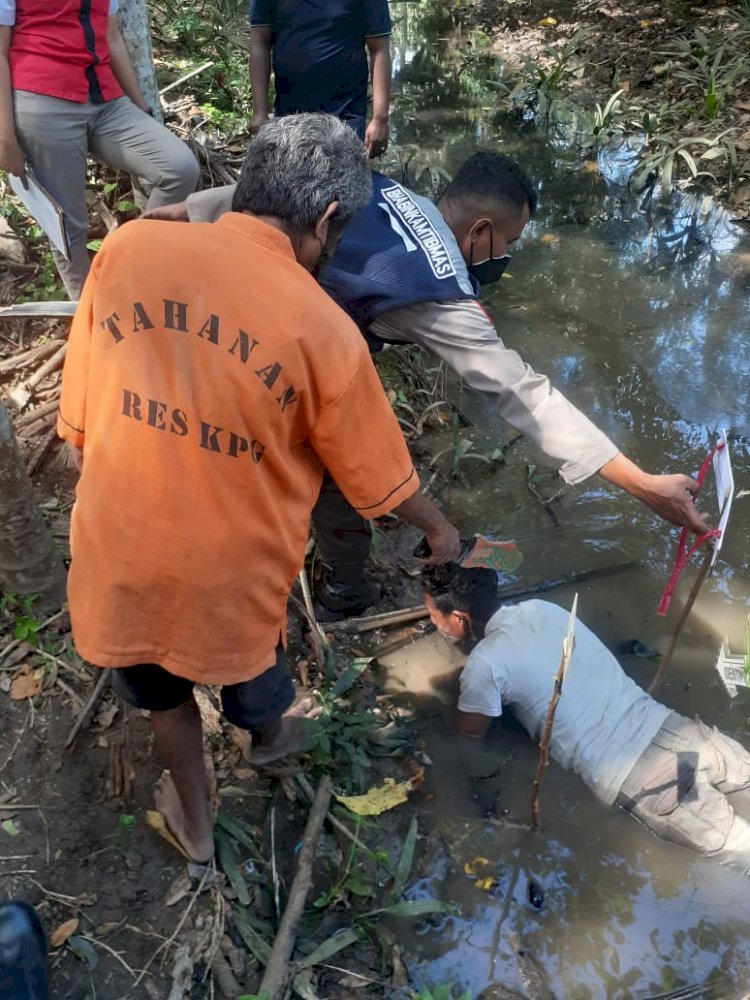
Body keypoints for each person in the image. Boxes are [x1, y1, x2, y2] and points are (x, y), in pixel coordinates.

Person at [56, 114, 459, 866]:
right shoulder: (325, 329)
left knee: (160, 690)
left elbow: (77, 426)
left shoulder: (128, 247)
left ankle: (197, 821)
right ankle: (272, 739)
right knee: (247, 657)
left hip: (119, 550)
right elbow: (379, 479)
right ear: (329, 218)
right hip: (230, 577)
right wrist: (440, 532)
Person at [142, 151, 709, 620]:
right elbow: (524, 394)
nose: (504, 258)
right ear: (481, 230)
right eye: (507, 243)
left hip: (204, 331)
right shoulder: (442, 294)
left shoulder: (380, 189)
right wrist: (640, 482)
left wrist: (149, 235)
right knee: (333, 472)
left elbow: (234, 204)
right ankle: (342, 594)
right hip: (266, 377)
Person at [422, 562, 750, 872]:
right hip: (681, 732)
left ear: (460, 618)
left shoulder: (485, 663)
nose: (433, 624)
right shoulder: (542, 608)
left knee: (742, 851)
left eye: (433, 615)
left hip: (648, 778)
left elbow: (468, 735)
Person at [0, 0, 200, 299]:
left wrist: (140, 106)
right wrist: (6, 138)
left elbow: (112, 38)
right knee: (68, 223)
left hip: (106, 97)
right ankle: (87, 312)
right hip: (42, 99)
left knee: (178, 167)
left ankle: (139, 276)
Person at [248, 0, 391, 157]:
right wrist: (259, 112)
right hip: (288, 118)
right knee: (289, 179)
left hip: (345, 117)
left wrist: (380, 119)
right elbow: (260, 42)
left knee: (344, 180)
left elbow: (379, 49)